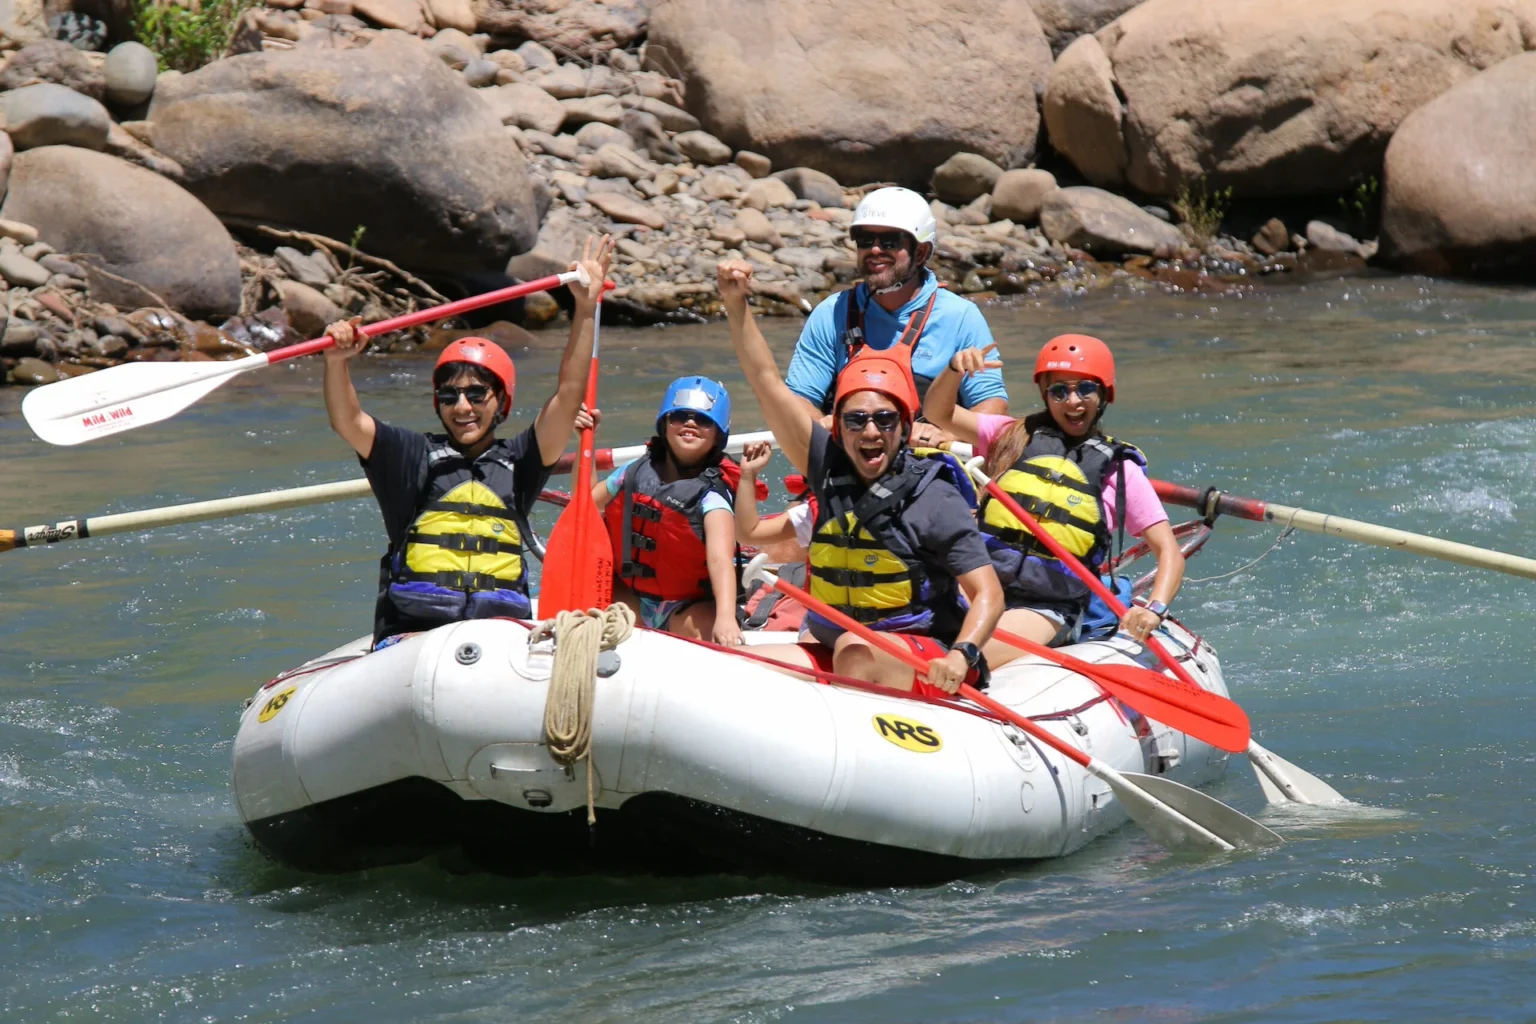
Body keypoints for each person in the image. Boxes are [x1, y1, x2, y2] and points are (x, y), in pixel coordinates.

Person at [718, 257, 1003, 696]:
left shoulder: (934, 496)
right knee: (738, 666)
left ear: (906, 427)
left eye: (885, 420)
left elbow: (988, 593)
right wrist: (736, 305)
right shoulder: (826, 465)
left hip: (922, 653)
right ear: (839, 425)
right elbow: (766, 381)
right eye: (856, 420)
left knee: (855, 648)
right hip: (841, 645)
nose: (871, 431)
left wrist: (961, 653)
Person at [323, 235, 614, 646]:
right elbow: (347, 419)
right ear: (437, 404)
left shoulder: (522, 459)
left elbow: (569, 394)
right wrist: (337, 363)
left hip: (497, 639)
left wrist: (585, 308)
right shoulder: (409, 455)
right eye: (450, 396)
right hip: (414, 636)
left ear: (501, 404)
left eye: (477, 394)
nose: (463, 407)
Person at [923, 333, 1186, 669]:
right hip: (981, 582)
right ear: (1045, 395)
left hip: (1045, 607)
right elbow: (937, 412)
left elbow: (1169, 552)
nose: (1072, 401)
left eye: (1085, 389)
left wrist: (1154, 608)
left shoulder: (1119, 472)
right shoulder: (1010, 435)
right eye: (1059, 390)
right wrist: (953, 370)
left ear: (1104, 394)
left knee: (973, 653)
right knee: (919, 625)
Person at [782, 186, 1008, 447]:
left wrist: (949, 434)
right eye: (866, 240)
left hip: (929, 468)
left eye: (890, 241)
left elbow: (993, 407)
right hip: (852, 462)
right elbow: (798, 402)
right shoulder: (831, 313)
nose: (875, 250)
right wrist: (825, 430)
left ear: (920, 253)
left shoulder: (960, 317)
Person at [592, 376, 755, 645]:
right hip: (630, 596)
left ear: (717, 435)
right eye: (679, 417)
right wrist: (587, 442)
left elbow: (720, 560)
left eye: (703, 421)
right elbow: (586, 508)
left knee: (710, 635)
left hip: (686, 607)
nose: (690, 424)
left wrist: (725, 617)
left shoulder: (711, 496)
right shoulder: (631, 473)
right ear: (665, 424)